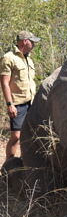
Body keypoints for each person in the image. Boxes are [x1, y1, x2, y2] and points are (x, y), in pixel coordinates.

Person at [0, 31, 40, 160]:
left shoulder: (29, 59)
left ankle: (24, 167)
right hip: (18, 104)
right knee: (16, 136)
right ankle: (8, 169)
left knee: (27, 137)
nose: (34, 44)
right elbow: (5, 83)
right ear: (24, 41)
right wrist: (10, 104)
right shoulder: (9, 58)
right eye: (32, 41)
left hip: (31, 103)